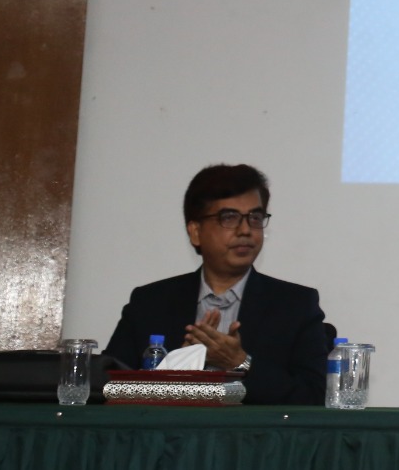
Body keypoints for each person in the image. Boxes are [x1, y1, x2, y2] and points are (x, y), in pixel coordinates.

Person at [105, 163, 329, 404]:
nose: (245, 230)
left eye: (255, 218)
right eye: (229, 218)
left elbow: (315, 396)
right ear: (195, 231)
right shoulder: (150, 303)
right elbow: (107, 386)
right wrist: (175, 370)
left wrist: (240, 363)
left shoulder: (296, 305)